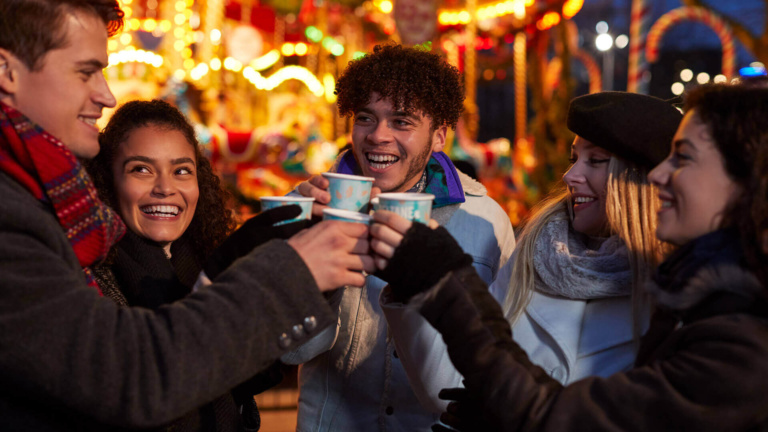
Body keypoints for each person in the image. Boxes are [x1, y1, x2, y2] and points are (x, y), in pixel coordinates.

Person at [0, 1, 373, 429]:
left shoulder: (61, 209)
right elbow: (129, 374)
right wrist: (289, 271)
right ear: (7, 72)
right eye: (85, 72)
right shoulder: (19, 215)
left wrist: (275, 244)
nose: (105, 94)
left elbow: (236, 369)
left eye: (182, 170)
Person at [371, 83, 768, 431]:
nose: (661, 174)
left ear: (746, 179)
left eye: (683, 158)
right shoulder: (536, 250)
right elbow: (459, 384)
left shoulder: (737, 330)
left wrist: (445, 280)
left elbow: (567, 418)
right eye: (574, 158)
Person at [381, 91, 681, 412]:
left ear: (639, 180)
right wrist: (407, 283)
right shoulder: (535, 250)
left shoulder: (677, 290)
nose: (570, 175)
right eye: (574, 158)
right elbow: (451, 384)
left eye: (596, 160)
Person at [284, 43, 516, 431]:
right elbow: (293, 351)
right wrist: (318, 254)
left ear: (439, 136)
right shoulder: (308, 204)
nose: (378, 136)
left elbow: (502, 353)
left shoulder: (484, 220)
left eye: (402, 122)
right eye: (365, 118)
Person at [86, 99, 281, 431]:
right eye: (141, 169)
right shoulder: (89, 280)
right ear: (107, 182)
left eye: (181, 171)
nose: (165, 188)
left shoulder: (210, 263)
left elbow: (250, 374)